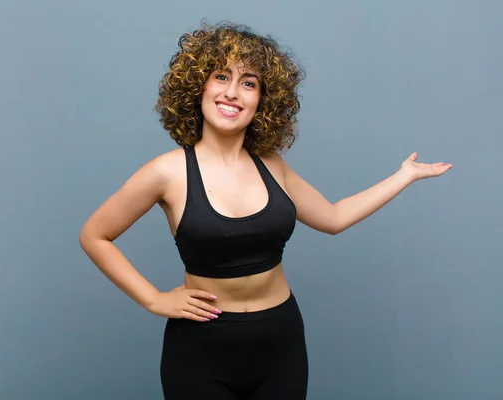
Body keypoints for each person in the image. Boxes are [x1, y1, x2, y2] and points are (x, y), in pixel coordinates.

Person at [78, 21, 452, 400]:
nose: (232, 92)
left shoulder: (272, 165)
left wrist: (403, 176)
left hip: (280, 343)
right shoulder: (167, 171)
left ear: (263, 101)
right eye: (221, 76)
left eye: (249, 82)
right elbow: (94, 235)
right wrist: (154, 299)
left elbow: (334, 217)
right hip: (200, 349)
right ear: (199, 87)